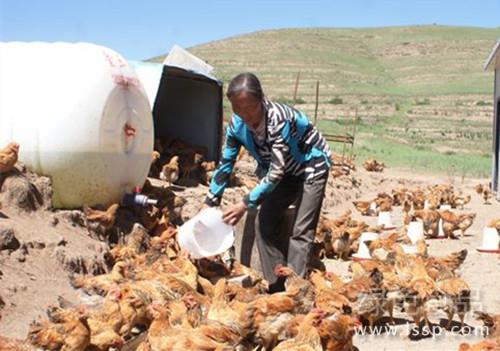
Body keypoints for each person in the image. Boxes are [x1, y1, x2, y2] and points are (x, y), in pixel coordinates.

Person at [204, 72, 331, 292]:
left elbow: (276, 171)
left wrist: (244, 204)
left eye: (250, 107)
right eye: (237, 109)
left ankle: (296, 291)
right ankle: (277, 284)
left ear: (262, 99)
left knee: (301, 230)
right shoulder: (236, 126)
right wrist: (210, 201)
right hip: (284, 172)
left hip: (311, 166)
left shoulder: (277, 119)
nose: (245, 115)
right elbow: (226, 163)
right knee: (264, 223)